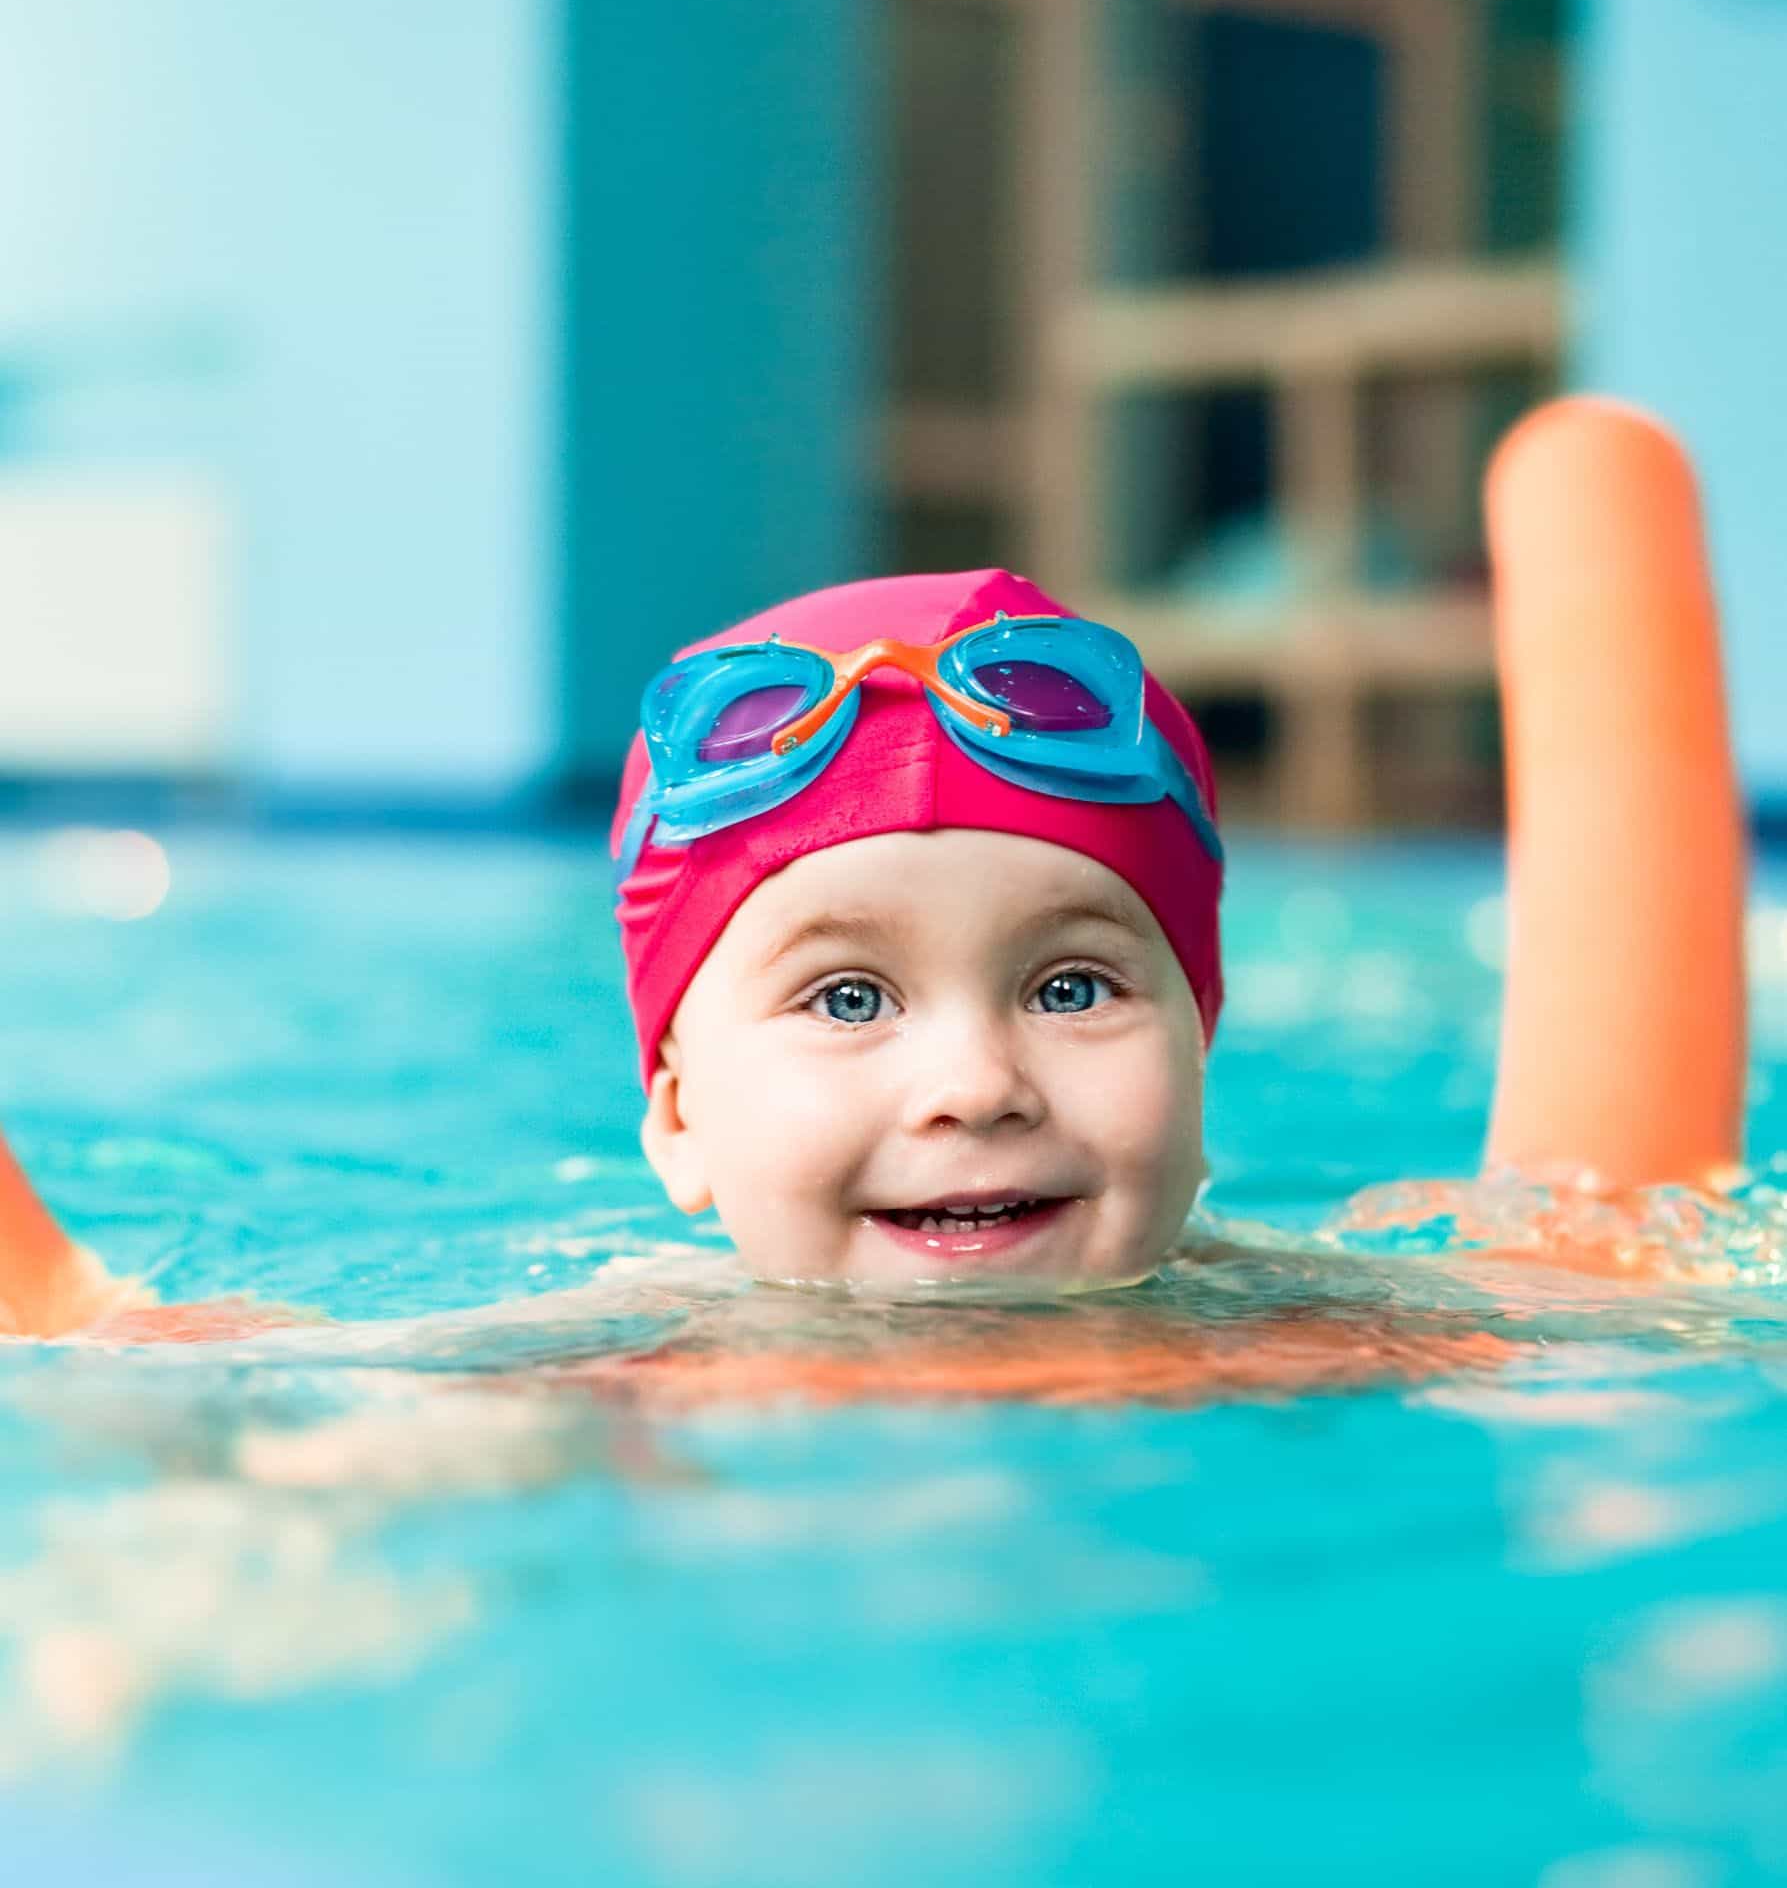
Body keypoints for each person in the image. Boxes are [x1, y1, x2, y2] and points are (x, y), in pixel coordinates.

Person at [0, 397, 1751, 1344]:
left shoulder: (1303, 1321)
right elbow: (247, 1407)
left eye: (1075, 984)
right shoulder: (638, 1363)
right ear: (677, 1122)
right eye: (849, 996)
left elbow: (1611, 1304)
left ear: (1205, 1056)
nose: (977, 1084)